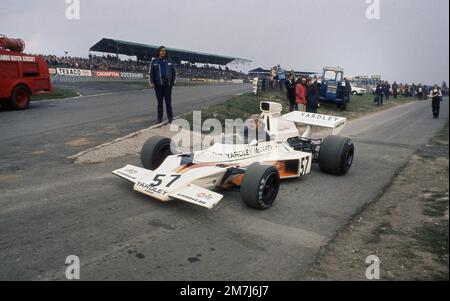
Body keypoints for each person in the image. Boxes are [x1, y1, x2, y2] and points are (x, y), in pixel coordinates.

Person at [149, 46, 176, 124]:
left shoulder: (170, 60)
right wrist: (151, 82)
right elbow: (151, 73)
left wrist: (173, 81)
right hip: (158, 85)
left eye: (165, 51)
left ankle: (171, 119)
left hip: (167, 85)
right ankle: (159, 119)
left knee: (168, 103)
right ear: (159, 51)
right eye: (161, 50)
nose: (163, 52)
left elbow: (174, 72)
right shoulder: (154, 61)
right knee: (160, 103)